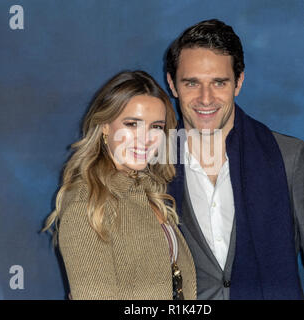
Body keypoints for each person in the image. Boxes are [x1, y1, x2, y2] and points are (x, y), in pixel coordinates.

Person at [165, 19, 304, 299]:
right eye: (192, 83)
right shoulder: (149, 163)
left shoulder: (291, 159)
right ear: (172, 84)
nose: (206, 98)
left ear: (238, 82)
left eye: (219, 82)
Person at [42, 70, 196, 300]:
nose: (145, 139)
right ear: (105, 125)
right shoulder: (88, 200)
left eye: (156, 127)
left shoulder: (147, 192)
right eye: (132, 124)